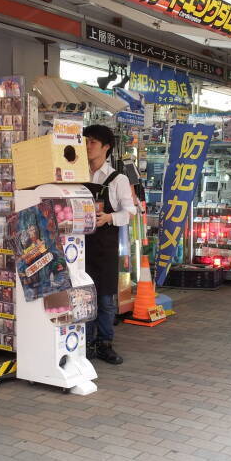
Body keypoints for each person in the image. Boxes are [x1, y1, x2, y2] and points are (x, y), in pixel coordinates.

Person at [82, 125, 136, 365]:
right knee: (83, 296)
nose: (87, 146)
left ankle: (104, 343)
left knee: (104, 299)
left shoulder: (117, 179)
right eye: (86, 141)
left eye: (93, 142)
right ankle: (83, 344)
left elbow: (130, 212)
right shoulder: (77, 174)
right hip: (79, 247)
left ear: (106, 147)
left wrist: (109, 218)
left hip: (104, 247)